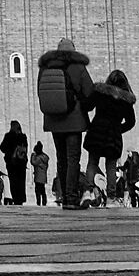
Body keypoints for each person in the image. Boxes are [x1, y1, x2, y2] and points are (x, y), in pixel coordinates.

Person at [37, 37, 96, 208]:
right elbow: (90, 93)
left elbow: (41, 93)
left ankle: (63, 196)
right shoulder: (78, 67)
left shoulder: (45, 68)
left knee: (61, 159)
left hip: (54, 120)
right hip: (74, 120)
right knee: (73, 159)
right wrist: (85, 106)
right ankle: (71, 197)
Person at [84, 71, 137, 203]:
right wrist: (119, 129)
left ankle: (88, 191)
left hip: (97, 130)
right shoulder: (126, 100)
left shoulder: (100, 92)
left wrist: (89, 124)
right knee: (111, 167)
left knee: (92, 162)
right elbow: (131, 122)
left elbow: (86, 106)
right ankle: (111, 197)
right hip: (113, 135)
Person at [0, 120, 29, 205]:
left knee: (13, 181)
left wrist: (9, 152)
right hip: (21, 163)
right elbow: (25, 149)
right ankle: (21, 198)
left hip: (11, 163)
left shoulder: (8, 136)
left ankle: (15, 198)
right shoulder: (23, 136)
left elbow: (2, 148)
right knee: (21, 181)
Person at [30, 138, 50, 206]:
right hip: (43, 177)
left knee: (38, 191)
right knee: (43, 190)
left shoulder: (38, 158)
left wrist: (32, 155)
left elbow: (33, 162)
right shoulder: (45, 157)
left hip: (38, 177)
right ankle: (44, 202)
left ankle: (39, 202)